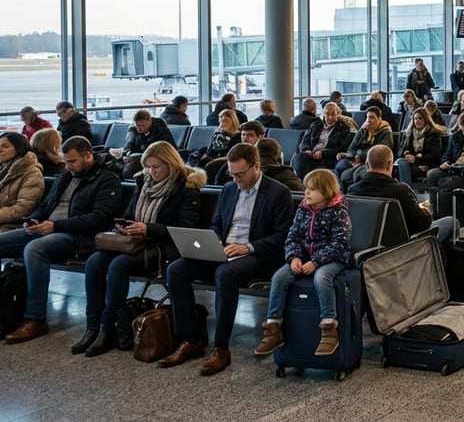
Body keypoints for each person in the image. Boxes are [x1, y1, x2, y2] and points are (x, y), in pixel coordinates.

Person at [159, 143, 294, 376]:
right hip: (226, 250)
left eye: (240, 174)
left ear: (256, 167)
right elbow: (217, 223)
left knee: (225, 274)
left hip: (258, 254)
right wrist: (215, 241)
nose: (236, 179)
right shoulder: (229, 189)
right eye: (232, 174)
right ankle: (190, 338)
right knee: (177, 270)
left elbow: (282, 236)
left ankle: (221, 347)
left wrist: (247, 247)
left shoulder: (278, 192)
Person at [78, 141, 203, 357]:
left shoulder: (186, 187)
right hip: (137, 241)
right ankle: (92, 325)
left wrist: (148, 229)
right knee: (95, 262)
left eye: (156, 167)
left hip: (165, 246)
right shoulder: (143, 183)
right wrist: (124, 225)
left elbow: (185, 228)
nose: (151, 172)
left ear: (171, 164)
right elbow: (129, 213)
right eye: (148, 167)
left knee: (118, 266)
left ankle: (108, 328)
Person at [0, 136, 121, 343]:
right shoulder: (66, 175)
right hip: (47, 228)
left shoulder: (107, 179)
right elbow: (46, 205)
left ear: (88, 155)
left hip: (77, 237)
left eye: (72, 161)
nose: (67, 166)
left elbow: (98, 219)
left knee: (34, 250)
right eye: (65, 161)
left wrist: (55, 226)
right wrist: (33, 219)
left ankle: (35, 318)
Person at [253, 168, 352, 358]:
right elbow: (293, 236)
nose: (306, 192)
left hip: (334, 258)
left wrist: (315, 261)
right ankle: (273, 327)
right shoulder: (302, 209)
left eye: (312, 189)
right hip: (304, 257)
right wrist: (294, 257)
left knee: (322, 278)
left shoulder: (339, 212)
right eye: (306, 188)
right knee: (280, 277)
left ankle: (329, 328)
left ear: (326, 191)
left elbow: (340, 243)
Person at [348, 146, 454, 242]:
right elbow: (423, 224)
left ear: (367, 164)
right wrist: (425, 211)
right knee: (452, 222)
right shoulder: (401, 190)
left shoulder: (353, 190)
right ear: (390, 164)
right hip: (401, 247)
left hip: (367, 245)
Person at [335, 106, 393, 189]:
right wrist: (351, 155)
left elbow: (379, 153)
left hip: (371, 163)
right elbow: (352, 147)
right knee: (340, 166)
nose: (369, 120)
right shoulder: (363, 129)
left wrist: (360, 156)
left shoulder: (386, 132)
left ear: (379, 119)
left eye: (372, 117)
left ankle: (353, 192)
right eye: (367, 117)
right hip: (355, 159)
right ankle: (342, 193)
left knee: (354, 174)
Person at [292, 103, 353, 180]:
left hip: (330, 158)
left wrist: (323, 153)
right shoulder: (315, 125)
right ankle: (305, 183)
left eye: (333, 114)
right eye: (327, 114)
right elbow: (305, 141)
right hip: (312, 156)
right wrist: (307, 150)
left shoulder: (343, 129)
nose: (330, 117)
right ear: (323, 115)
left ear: (338, 115)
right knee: (299, 157)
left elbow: (342, 148)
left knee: (343, 164)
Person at [0, 132, 44, 231]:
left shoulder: (32, 173)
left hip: (11, 225)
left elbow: (23, 209)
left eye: (5, 146)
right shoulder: (3, 167)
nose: (0, 150)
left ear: (19, 148)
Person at [186, 109, 241, 184]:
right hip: (210, 158)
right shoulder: (217, 134)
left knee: (209, 166)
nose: (223, 118)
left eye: (227, 116)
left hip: (222, 161)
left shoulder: (238, 136)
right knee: (194, 157)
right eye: (221, 116)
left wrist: (215, 160)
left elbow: (233, 155)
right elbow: (209, 150)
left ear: (233, 119)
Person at [394, 108, 445, 186]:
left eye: (420, 118)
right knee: (401, 162)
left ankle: (407, 189)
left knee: (403, 168)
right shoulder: (408, 133)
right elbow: (401, 149)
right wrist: (407, 154)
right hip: (410, 163)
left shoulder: (434, 134)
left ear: (426, 120)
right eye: (415, 119)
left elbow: (435, 154)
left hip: (427, 165)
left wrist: (416, 160)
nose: (417, 121)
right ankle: (407, 189)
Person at [119, 109, 175, 180]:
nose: (139, 129)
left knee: (129, 171)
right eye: (138, 126)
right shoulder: (136, 131)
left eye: (142, 126)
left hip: (157, 161)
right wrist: (127, 152)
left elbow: (166, 151)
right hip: (141, 160)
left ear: (149, 121)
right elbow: (130, 145)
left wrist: (139, 158)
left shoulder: (161, 132)